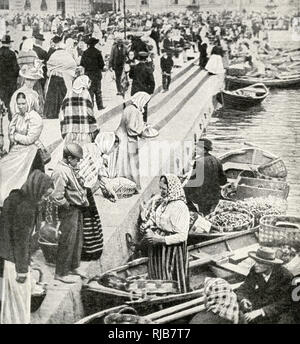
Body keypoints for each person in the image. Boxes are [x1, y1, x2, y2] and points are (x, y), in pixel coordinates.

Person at [0, 170, 54, 324]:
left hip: (6, 256)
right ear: (37, 189)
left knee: (9, 299)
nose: (45, 199)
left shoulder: (15, 197)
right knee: (19, 300)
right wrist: (22, 270)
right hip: (14, 261)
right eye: (44, 195)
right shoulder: (27, 209)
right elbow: (21, 242)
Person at [140, 174, 190, 293]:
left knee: (169, 273)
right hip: (157, 245)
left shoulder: (180, 207)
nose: (161, 191)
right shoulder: (164, 202)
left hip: (172, 249)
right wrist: (147, 224)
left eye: (164, 189)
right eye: (160, 188)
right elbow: (156, 217)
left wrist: (160, 239)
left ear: (172, 188)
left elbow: (182, 236)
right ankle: (159, 293)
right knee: (157, 271)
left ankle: (173, 296)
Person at [51, 143, 89, 283]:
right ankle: (61, 272)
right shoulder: (60, 171)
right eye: (76, 159)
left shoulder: (69, 168)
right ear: (68, 158)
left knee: (77, 239)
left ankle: (74, 266)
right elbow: (56, 196)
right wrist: (66, 205)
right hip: (68, 209)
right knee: (67, 240)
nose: (78, 162)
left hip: (77, 207)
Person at [0, 92, 44, 207]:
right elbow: (10, 132)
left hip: (30, 150)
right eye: (18, 104)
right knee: (3, 166)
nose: (20, 106)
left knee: (19, 173)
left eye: (23, 103)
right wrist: (13, 136)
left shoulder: (35, 118)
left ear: (29, 102)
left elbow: (30, 139)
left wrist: (16, 136)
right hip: (17, 148)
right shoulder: (17, 116)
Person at [236, 246, 294, 324]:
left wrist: (261, 311)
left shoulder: (285, 276)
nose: (256, 265)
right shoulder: (255, 270)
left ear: (270, 265)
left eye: (260, 262)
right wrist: (243, 300)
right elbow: (244, 288)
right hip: (255, 309)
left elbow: (285, 302)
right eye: (256, 261)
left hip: (275, 313)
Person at [115, 92, 157, 190]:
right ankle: (134, 186)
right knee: (133, 164)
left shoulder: (129, 108)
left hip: (121, 136)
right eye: (145, 103)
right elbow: (131, 128)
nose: (146, 105)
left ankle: (126, 185)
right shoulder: (135, 111)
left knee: (125, 163)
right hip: (127, 139)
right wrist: (142, 130)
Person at [184, 138, 227, 216]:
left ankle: (196, 213)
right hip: (216, 195)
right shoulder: (217, 160)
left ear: (204, 150)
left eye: (198, 147)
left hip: (203, 198)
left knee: (185, 191)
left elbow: (192, 183)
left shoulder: (199, 162)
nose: (196, 149)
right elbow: (223, 181)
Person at [44, 35, 77, 119]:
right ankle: (65, 112)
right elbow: (73, 65)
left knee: (53, 96)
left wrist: (52, 71)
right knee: (64, 94)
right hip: (64, 78)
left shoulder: (53, 55)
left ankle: (51, 113)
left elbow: (49, 65)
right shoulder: (67, 55)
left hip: (55, 78)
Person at [59, 75, 99, 145]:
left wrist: (63, 128)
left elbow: (62, 113)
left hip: (70, 131)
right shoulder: (86, 94)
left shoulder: (68, 94)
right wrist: (94, 126)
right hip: (84, 131)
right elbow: (90, 113)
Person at [129, 51, 155, 123]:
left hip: (135, 91)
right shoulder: (148, 68)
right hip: (145, 91)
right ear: (146, 59)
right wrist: (150, 91)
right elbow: (152, 81)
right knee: (144, 108)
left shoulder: (134, 67)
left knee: (135, 108)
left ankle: (135, 125)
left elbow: (130, 76)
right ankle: (143, 124)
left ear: (138, 58)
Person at [80, 37, 105, 111]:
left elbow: (82, 64)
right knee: (98, 91)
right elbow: (102, 64)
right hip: (97, 74)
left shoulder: (85, 53)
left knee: (89, 91)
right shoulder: (98, 52)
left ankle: (91, 106)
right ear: (95, 44)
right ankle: (100, 106)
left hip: (88, 74)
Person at [0, 35, 20, 121]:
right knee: (11, 100)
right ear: (9, 43)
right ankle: (11, 118)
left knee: (2, 98)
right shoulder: (12, 54)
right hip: (10, 81)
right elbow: (16, 68)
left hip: (1, 80)